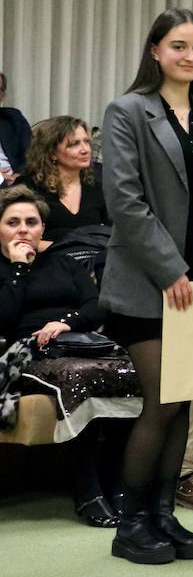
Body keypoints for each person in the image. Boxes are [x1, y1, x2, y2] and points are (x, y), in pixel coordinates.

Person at [101, 8, 193, 564]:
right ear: (155, 50)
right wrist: (171, 271)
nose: (190, 56)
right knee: (161, 401)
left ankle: (164, 516)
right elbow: (125, 203)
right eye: (179, 46)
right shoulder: (127, 111)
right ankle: (130, 522)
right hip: (146, 285)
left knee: (184, 404)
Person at [0, 185, 131, 527]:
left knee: (130, 374)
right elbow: (4, 319)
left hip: (78, 343)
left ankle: (116, 483)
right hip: (24, 352)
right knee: (77, 378)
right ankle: (88, 491)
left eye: (32, 221)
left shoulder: (62, 260)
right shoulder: (4, 269)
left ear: (43, 227)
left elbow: (94, 306)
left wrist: (63, 322)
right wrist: (18, 268)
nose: (24, 229)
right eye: (13, 222)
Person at [17, 117, 108, 245]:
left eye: (86, 142)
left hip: (91, 259)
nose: (85, 150)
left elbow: (114, 234)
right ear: (52, 153)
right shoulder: (27, 188)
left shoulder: (97, 187)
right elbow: (15, 237)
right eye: (74, 144)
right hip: (45, 260)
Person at [0, 72, 30, 184]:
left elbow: (31, 153)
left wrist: (18, 176)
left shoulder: (13, 119)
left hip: (15, 183)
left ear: (2, 96)